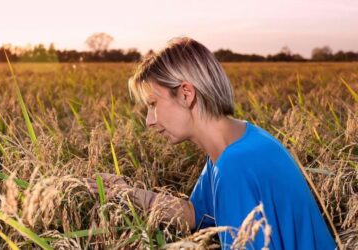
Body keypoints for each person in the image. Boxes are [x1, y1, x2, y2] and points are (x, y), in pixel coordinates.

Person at [87, 37, 337, 249]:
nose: (149, 121)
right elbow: (196, 214)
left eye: (153, 104)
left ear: (186, 93)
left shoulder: (236, 164)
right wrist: (126, 193)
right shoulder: (237, 141)